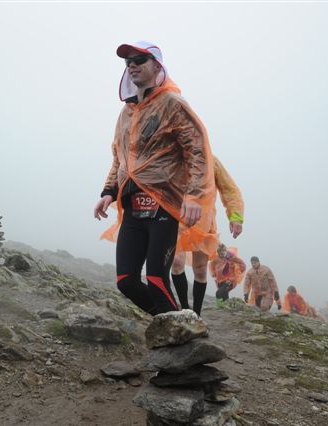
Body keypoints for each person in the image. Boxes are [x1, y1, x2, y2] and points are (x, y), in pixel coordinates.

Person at [94, 41, 217, 315]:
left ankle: (180, 331)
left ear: (157, 66)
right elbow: (120, 157)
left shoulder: (172, 103)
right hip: (132, 205)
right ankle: (174, 325)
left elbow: (197, 149)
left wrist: (195, 195)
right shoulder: (126, 113)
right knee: (126, 281)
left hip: (163, 203)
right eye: (128, 62)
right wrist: (108, 192)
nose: (132, 65)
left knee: (157, 278)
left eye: (139, 59)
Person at [171, 156, 244, 315]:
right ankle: (185, 309)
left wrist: (235, 217)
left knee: (200, 269)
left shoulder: (211, 160)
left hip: (204, 221)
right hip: (176, 218)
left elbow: (229, 189)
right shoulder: (173, 153)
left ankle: (196, 314)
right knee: (176, 262)